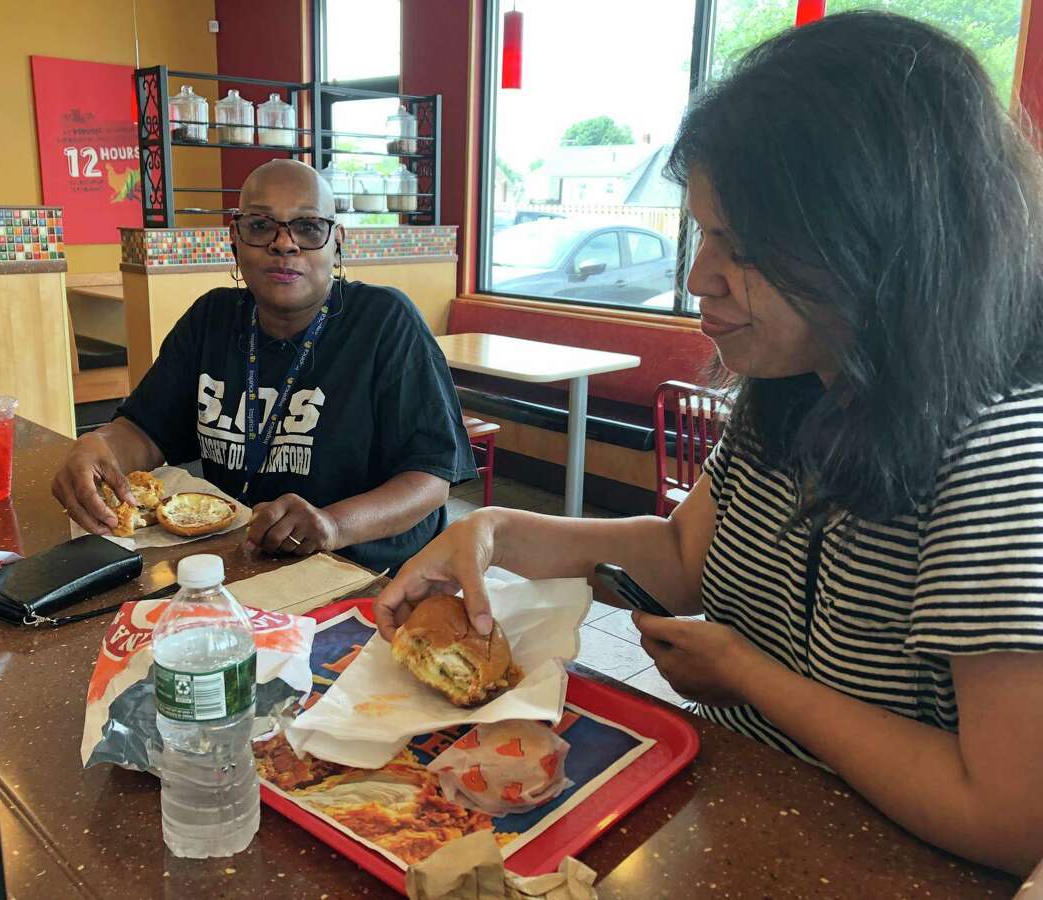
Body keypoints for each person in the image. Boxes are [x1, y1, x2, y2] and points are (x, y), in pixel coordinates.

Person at [376, 12, 1043, 875]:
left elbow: (1009, 814)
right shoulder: (797, 387)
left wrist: (749, 674)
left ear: (881, 237)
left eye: (741, 245)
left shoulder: (1000, 451)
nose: (697, 278)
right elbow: (683, 553)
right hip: (737, 809)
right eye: (703, 235)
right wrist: (496, 533)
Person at [52, 160, 475, 572]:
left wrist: (332, 524)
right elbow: (144, 430)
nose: (284, 244)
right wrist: (99, 446)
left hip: (372, 571)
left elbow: (430, 479)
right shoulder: (210, 320)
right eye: (260, 225)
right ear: (234, 239)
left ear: (337, 242)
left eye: (308, 227)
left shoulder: (385, 322)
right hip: (247, 561)